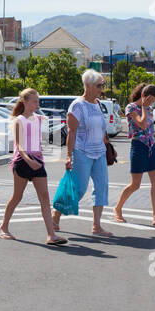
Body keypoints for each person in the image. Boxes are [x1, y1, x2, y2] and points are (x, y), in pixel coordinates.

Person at [0, 88, 67, 245]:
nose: (38, 104)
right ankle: (3, 227)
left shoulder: (39, 119)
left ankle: (51, 235)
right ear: (25, 101)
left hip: (37, 160)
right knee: (17, 196)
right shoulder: (18, 120)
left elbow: (40, 139)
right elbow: (19, 146)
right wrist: (29, 161)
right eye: (35, 101)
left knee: (44, 197)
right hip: (22, 161)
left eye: (38, 101)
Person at [52, 68, 114, 236]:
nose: (102, 89)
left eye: (102, 85)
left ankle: (96, 226)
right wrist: (68, 156)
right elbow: (71, 132)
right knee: (78, 189)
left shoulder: (98, 103)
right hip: (82, 152)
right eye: (99, 86)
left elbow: (100, 127)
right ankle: (55, 217)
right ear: (88, 85)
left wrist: (106, 142)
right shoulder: (77, 105)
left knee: (101, 188)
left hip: (99, 152)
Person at [114, 83, 155, 227]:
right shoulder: (131, 107)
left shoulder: (149, 108)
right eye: (151, 100)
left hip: (151, 147)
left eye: (154, 101)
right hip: (138, 146)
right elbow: (142, 124)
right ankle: (117, 208)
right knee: (135, 184)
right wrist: (144, 108)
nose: (152, 103)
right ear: (143, 96)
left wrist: (147, 108)